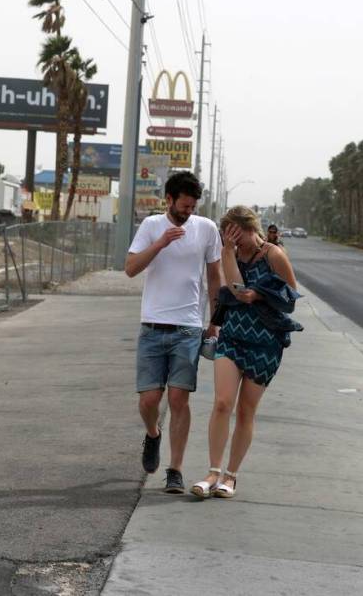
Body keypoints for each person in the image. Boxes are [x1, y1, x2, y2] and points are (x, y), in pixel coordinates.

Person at [191, 206, 301, 500]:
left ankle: (231, 476)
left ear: (253, 229)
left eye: (240, 237)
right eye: (231, 238)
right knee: (222, 403)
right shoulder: (232, 252)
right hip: (233, 336)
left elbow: (291, 299)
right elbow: (235, 288)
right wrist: (228, 253)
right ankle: (213, 472)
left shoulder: (274, 255)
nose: (237, 244)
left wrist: (260, 294)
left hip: (266, 343)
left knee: (245, 411)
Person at [125, 171, 223, 494]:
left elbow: (213, 278)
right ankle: (153, 434)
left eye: (192, 206)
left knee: (179, 398)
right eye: (183, 206)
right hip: (152, 325)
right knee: (149, 399)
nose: (188, 212)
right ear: (168, 200)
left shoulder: (207, 230)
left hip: (188, 328)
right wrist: (161, 242)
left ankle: (175, 469)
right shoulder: (152, 226)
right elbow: (131, 268)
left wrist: (214, 321)